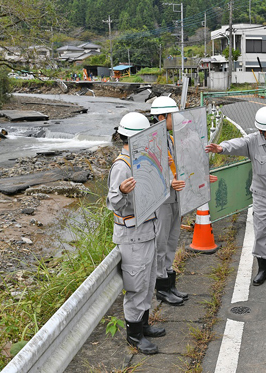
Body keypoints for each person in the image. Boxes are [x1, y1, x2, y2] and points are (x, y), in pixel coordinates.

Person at [205, 107, 266, 286]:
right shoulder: (252, 141)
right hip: (262, 196)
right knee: (260, 233)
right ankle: (263, 270)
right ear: (261, 131)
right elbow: (237, 144)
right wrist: (221, 148)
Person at [107, 112, 164, 355]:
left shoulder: (141, 157)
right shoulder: (123, 165)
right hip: (132, 236)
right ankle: (134, 335)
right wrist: (120, 190)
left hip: (147, 230)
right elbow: (112, 201)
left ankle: (144, 324)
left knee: (148, 281)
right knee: (136, 286)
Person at [149, 96, 187, 306]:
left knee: (172, 239)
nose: (175, 119)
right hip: (161, 199)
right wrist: (168, 182)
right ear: (161, 117)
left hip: (175, 196)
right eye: (172, 115)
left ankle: (170, 282)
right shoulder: (151, 141)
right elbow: (147, 173)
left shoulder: (170, 139)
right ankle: (162, 287)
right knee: (161, 242)